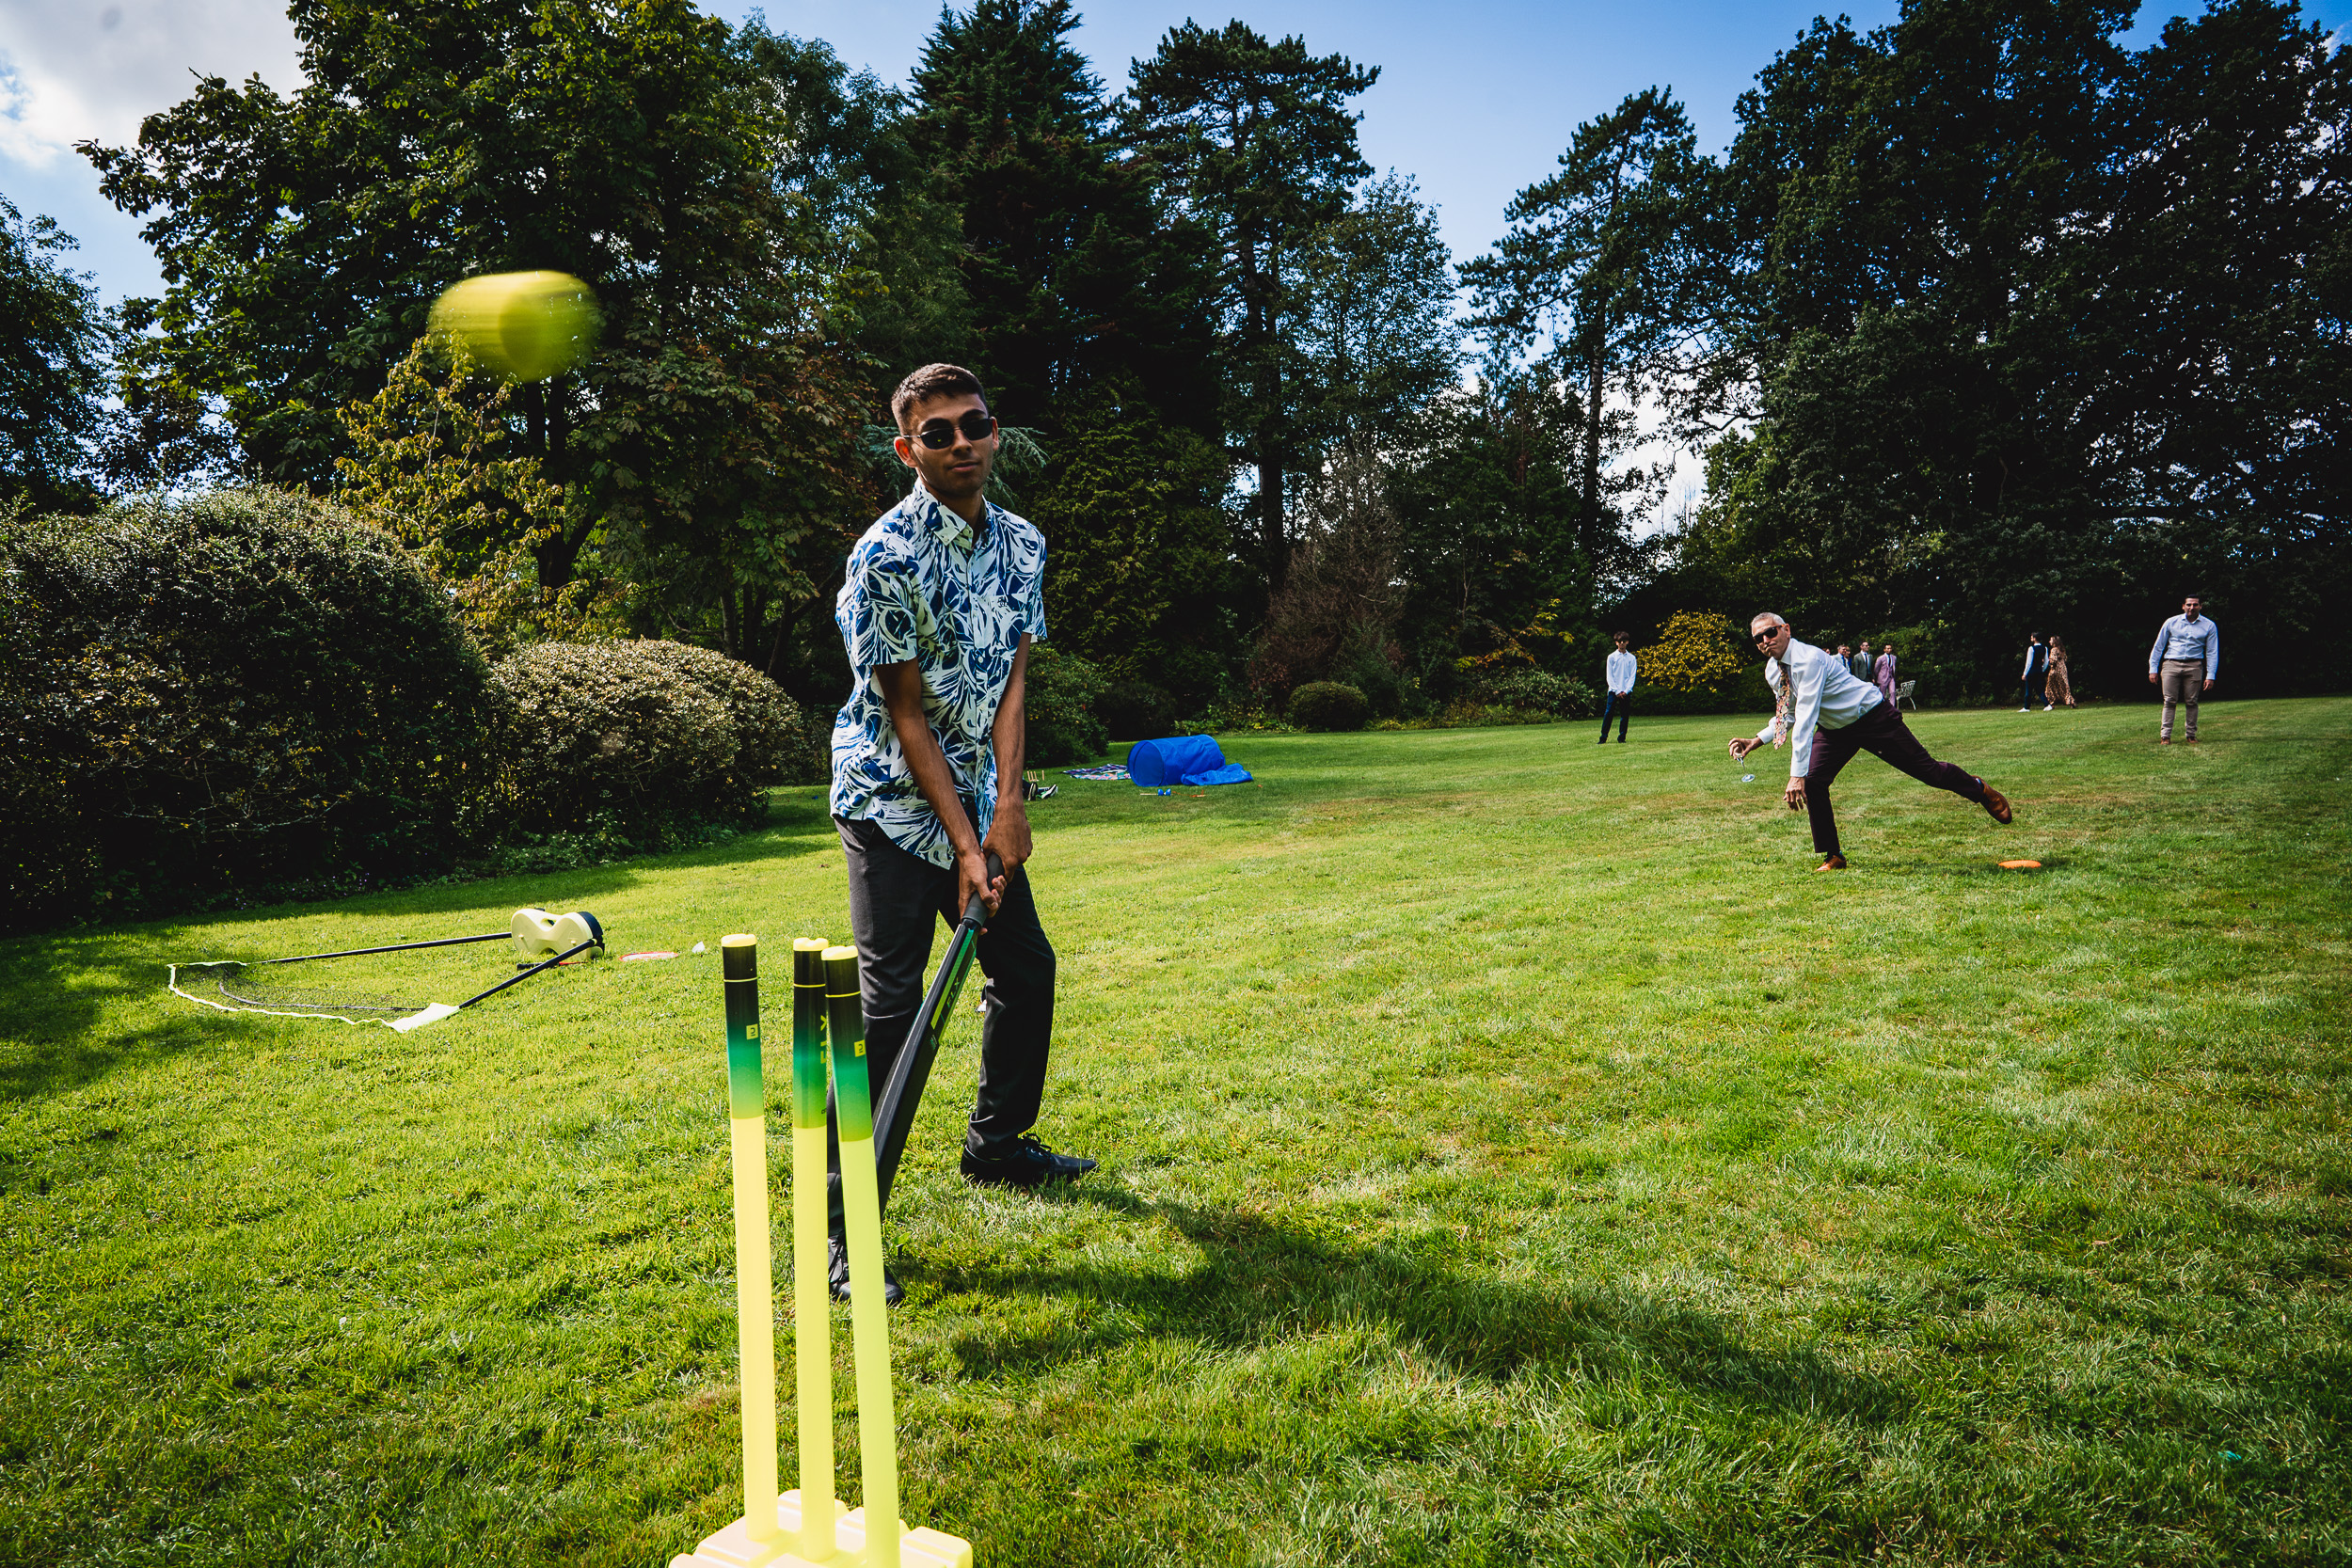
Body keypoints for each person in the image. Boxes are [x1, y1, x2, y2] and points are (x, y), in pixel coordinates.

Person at [826, 362, 1095, 1304]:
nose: (959, 443)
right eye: (935, 432)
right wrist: (963, 843)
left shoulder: (1024, 545)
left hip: (979, 800)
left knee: (1023, 970)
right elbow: (906, 718)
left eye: (972, 423)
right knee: (892, 1014)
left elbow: (1013, 681)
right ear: (909, 450)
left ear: (993, 428)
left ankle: (997, 1145)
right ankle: (847, 1228)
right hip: (891, 804)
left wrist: (1007, 808)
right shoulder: (885, 557)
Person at [1729, 613, 2011, 871]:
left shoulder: (1808, 659)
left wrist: (1795, 775)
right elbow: (1788, 712)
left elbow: (1805, 716)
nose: (1766, 641)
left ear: (1786, 630)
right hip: (1835, 729)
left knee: (1929, 772)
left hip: (1871, 717)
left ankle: (1980, 790)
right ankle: (1834, 855)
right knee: (1814, 782)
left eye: (1771, 633)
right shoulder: (1772, 671)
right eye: (1759, 638)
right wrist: (1757, 740)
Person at [2148, 594, 2218, 743]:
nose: (2192, 608)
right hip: (2171, 664)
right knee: (2169, 701)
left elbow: (2212, 652)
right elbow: (2158, 646)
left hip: (2194, 665)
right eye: (2189, 605)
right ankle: (2165, 736)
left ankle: (2191, 735)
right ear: (2183, 606)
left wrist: (2210, 675)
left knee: (2192, 701)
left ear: (2200, 606)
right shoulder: (2171, 622)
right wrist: (2153, 668)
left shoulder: (2209, 625)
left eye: (2195, 605)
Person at [1598, 631, 1637, 743]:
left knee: (1624, 715)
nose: (1622, 644)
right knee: (1608, 713)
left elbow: (1632, 676)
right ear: (1616, 643)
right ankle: (1603, 737)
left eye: (1624, 642)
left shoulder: (1631, 658)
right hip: (1613, 691)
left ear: (1627, 642)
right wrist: (1616, 691)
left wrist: (1626, 690)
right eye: (1619, 642)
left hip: (1626, 691)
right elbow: (1609, 676)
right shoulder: (1611, 657)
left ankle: (1622, 737)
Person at [2017, 633, 2049, 711]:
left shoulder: (2031, 649)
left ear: (2034, 638)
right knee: (2040, 690)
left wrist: (2025, 673)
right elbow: (2046, 661)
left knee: (2029, 690)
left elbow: (2029, 663)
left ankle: (2026, 707)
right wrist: (2042, 669)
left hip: (2031, 671)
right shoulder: (2045, 648)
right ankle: (2047, 704)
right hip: (2039, 671)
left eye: (2032, 637)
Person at [2044, 636, 2075, 709]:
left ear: (2055, 642)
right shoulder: (2062, 650)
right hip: (2063, 669)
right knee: (2064, 686)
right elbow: (2065, 659)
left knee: (2050, 687)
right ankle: (2071, 701)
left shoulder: (2054, 650)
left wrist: (2047, 662)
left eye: (2050, 640)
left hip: (2055, 670)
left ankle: (2051, 703)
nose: (2049, 642)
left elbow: (2053, 660)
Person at [1873, 642, 1899, 707]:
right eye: (1887, 648)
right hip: (1883, 678)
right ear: (1884, 650)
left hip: (1891, 677)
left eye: (1890, 648)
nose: (1889, 650)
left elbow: (1893, 667)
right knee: (1882, 694)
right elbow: (1876, 669)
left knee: (1892, 692)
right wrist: (1877, 678)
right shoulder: (1880, 658)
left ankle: (1892, 707)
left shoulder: (1894, 658)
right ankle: (1882, 707)